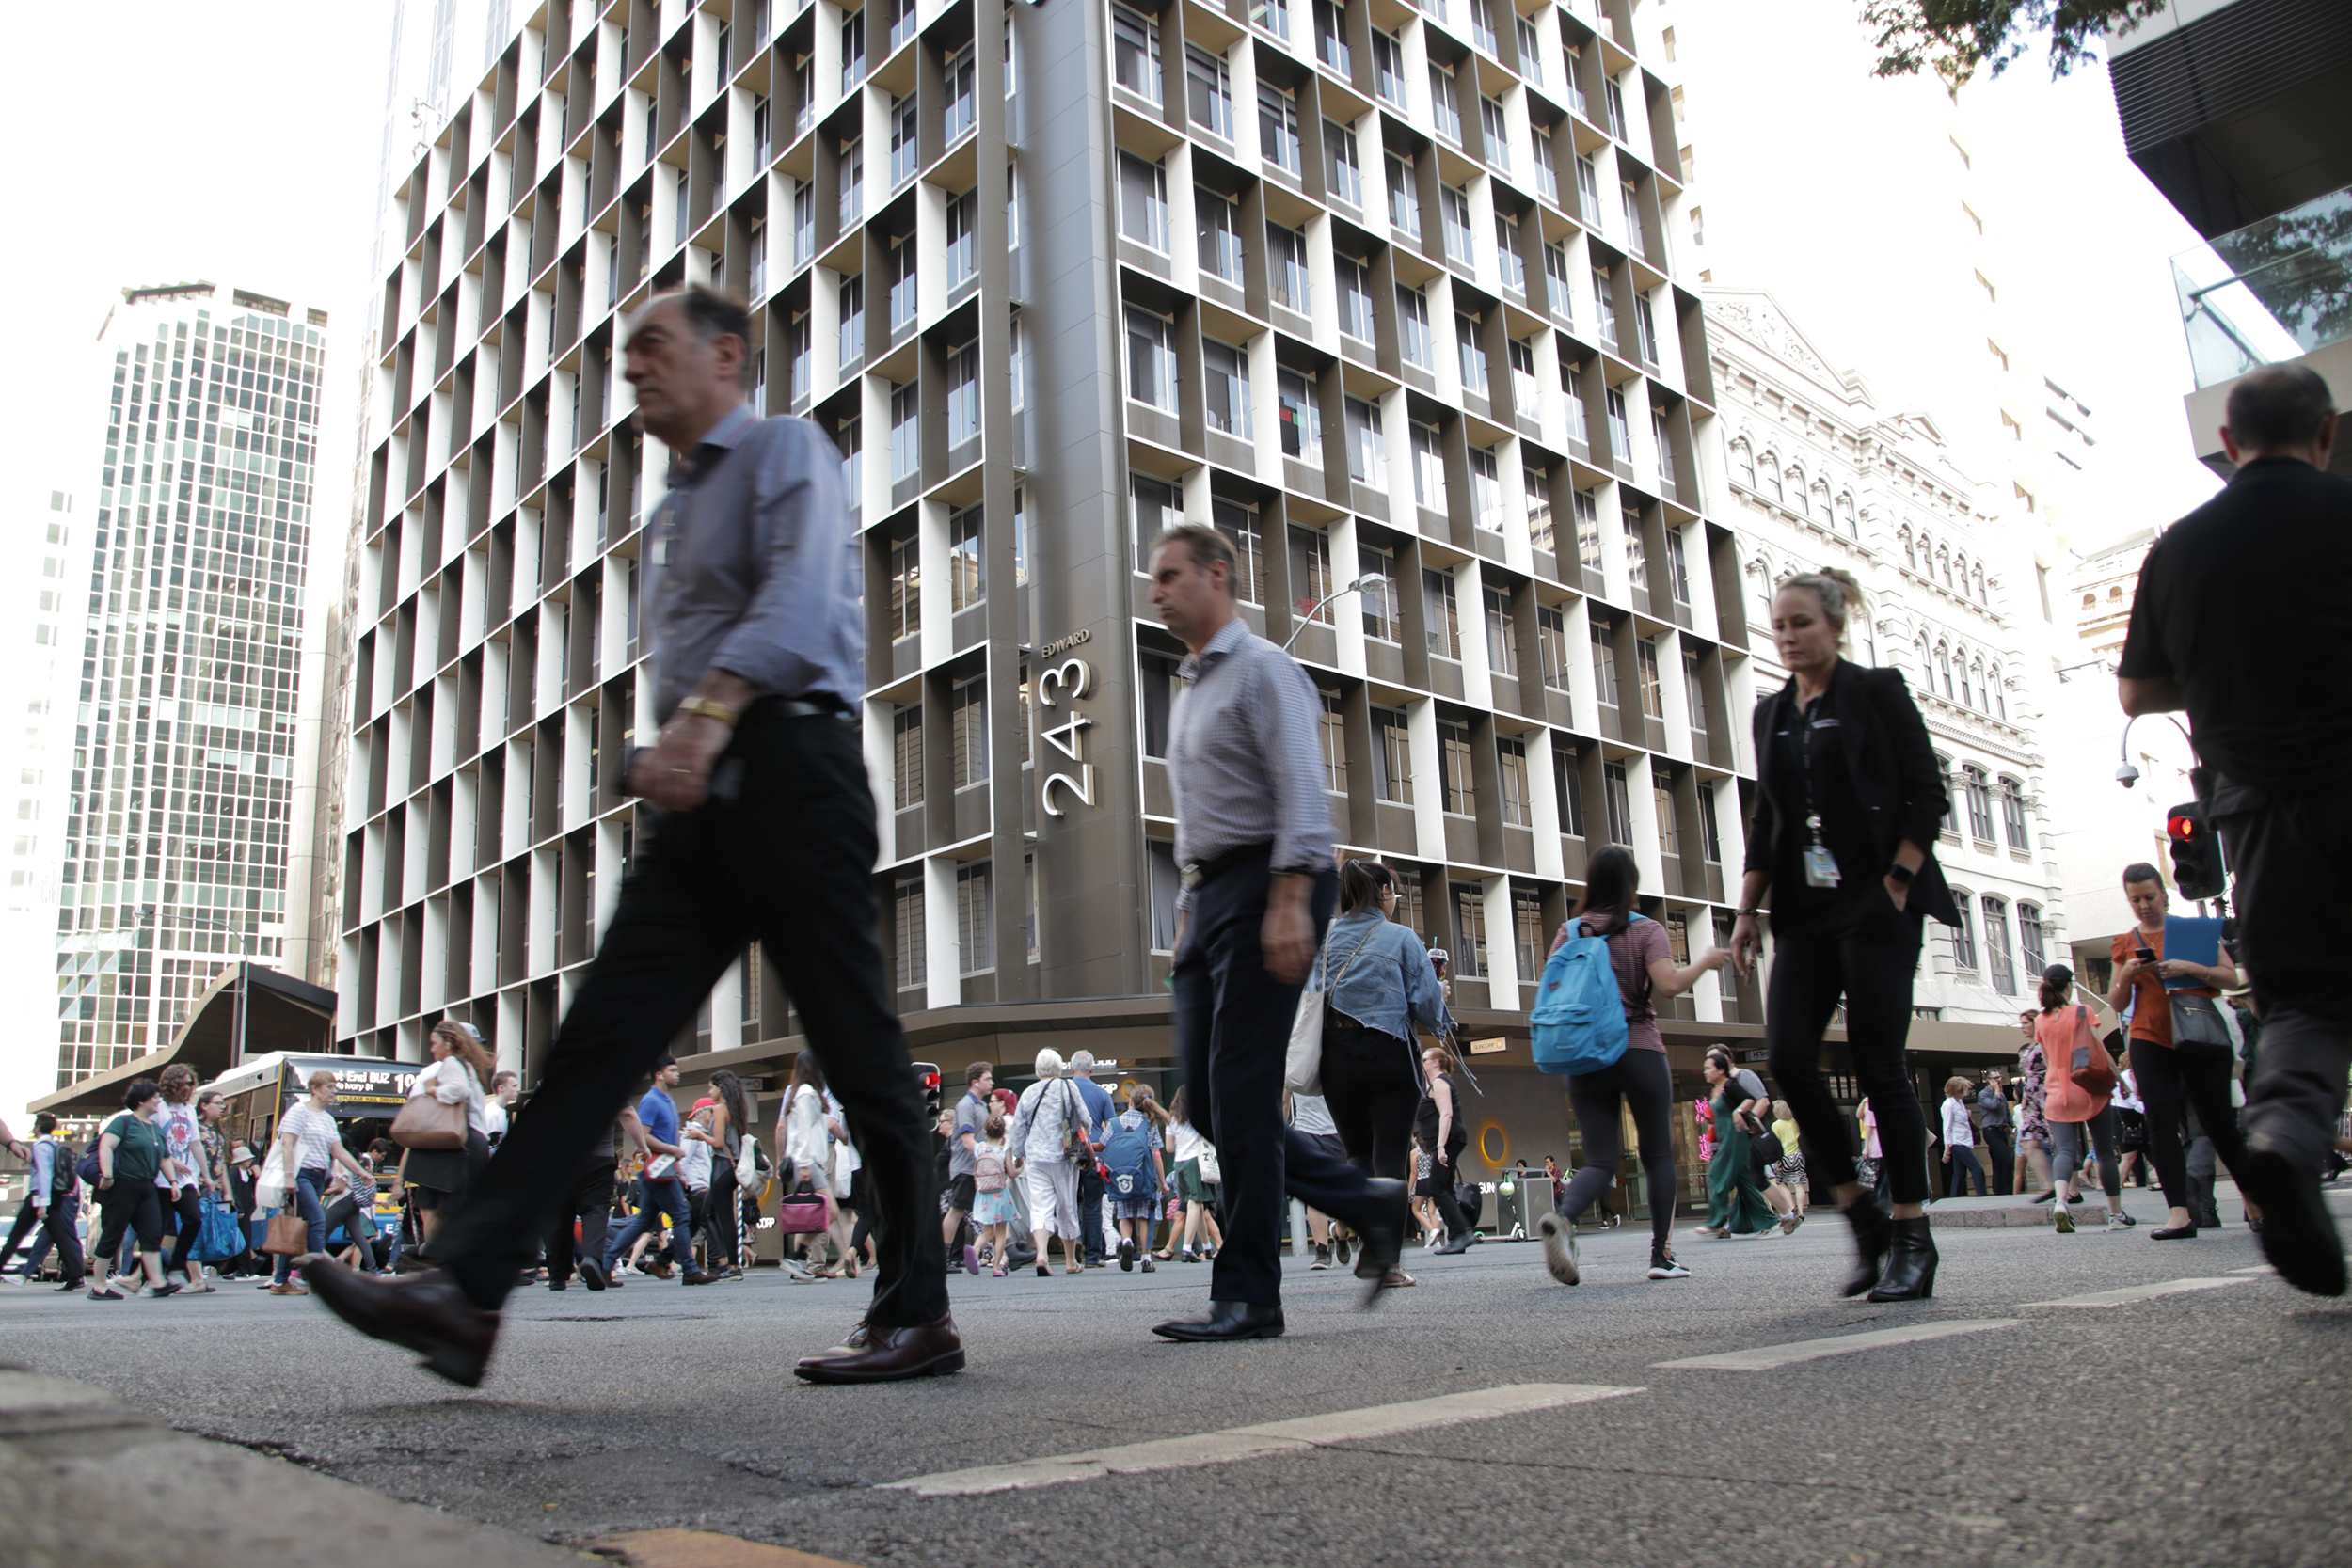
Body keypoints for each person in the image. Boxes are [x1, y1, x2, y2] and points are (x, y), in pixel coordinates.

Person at [302, 285, 954, 1383]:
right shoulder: (669, 512)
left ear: (727, 357)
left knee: (859, 1052)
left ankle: (917, 1310)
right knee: (597, 1042)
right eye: (626, 355)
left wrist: (700, 723)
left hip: (794, 768)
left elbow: (796, 600)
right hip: (699, 801)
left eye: (655, 347)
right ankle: (463, 1294)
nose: (635, 369)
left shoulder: (787, 450)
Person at [2116, 360, 2352, 1296]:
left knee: (2298, 1003)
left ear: (2227, 444)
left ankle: (2284, 1136)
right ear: (2325, 435)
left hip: (2256, 806)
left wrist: (2214, 680)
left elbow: (2137, 688)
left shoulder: (2181, 549)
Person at [1149, 522, 1409, 1341]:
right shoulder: (1189, 684)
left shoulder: (1264, 670)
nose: (1156, 590)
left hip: (1270, 879)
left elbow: (1301, 786)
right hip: (1211, 894)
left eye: (1169, 574)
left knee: (1244, 1089)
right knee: (1208, 1095)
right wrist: (1191, 904)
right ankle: (1364, 1197)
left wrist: (1293, 896)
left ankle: (1251, 1293)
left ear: (1217, 574)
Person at [1728, 568, 1960, 1303]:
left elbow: (1928, 791)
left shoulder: (1876, 691)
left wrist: (1898, 879)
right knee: (1791, 1058)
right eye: (1780, 626)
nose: (1790, 637)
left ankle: (1913, 1233)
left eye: (1802, 623)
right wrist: (1745, 910)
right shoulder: (1771, 714)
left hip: (1876, 902)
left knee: (1878, 1060)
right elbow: (1767, 818)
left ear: (1834, 625)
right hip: (1805, 908)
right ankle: (1863, 1221)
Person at [1536, 847, 1724, 1286]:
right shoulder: (1647, 931)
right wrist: (1704, 961)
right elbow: (1669, 985)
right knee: (1658, 1155)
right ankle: (1661, 1254)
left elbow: (1555, 989)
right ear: (1630, 887)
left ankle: (1563, 1218)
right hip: (1638, 1048)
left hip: (1585, 1053)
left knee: (1599, 1161)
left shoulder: (1570, 931)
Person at [1305, 858, 1453, 1286]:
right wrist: (1439, 993)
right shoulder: (1402, 938)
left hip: (1335, 1057)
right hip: (1387, 1053)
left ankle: (1351, 1226)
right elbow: (1427, 1007)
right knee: (1388, 1157)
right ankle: (1382, 1260)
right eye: (1394, 894)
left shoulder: (1325, 939)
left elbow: (1309, 994)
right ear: (1383, 894)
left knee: (1355, 1155)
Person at [2105, 863, 2254, 1242]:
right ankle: (2178, 1213)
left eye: (2149, 897)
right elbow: (2116, 999)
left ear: (2163, 894)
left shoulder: (2191, 930)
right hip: (2148, 1036)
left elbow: (2230, 977)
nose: (2143, 905)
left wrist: (2190, 968)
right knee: (2160, 1121)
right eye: (2135, 899)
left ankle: (2255, 1202)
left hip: (2199, 1033)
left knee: (2219, 1123)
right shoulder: (2126, 941)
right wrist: (2128, 975)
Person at [2034, 964, 2133, 1234]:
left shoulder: (2040, 1021)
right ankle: (2115, 1214)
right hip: (2088, 1087)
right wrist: (2121, 1081)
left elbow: (2046, 1059)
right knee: (2104, 1151)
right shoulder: (2082, 1012)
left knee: (2064, 1151)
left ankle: (2062, 1203)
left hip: (2056, 1091)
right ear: (2069, 985)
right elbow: (2098, 1050)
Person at [603, 1057, 716, 1286]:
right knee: (682, 1215)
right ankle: (690, 1270)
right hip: (658, 1171)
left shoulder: (668, 1100)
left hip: (664, 1170)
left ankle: (605, 1264)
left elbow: (665, 1136)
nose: (678, 1074)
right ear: (659, 1074)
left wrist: (679, 1169)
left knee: (643, 1221)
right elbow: (644, 1135)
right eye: (672, 1070)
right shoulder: (652, 1101)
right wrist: (672, 1150)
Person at [270, 1069, 376, 1297]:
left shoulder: (328, 1120)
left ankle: (280, 1281)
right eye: (329, 1087)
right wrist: (289, 1176)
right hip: (301, 1174)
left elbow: (338, 1151)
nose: (334, 1092)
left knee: (301, 1227)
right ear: (315, 1089)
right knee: (318, 1220)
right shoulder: (299, 1112)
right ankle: (320, 1277)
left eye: (334, 1088)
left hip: (319, 1175)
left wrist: (361, 1172)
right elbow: (287, 1143)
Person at [397, 1021, 496, 1259]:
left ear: (449, 1043)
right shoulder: (468, 1067)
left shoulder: (449, 1064)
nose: (431, 1049)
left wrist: (433, 1091)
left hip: (451, 1143)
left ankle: (440, 1258)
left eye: (434, 1043)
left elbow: (457, 1092)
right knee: (451, 1206)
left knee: (433, 1206)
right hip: (468, 1142)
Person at [87, 1080, 175, 1301]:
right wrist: (107, 1174)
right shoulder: (124, 1123)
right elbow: (105, 1145)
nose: (159, 1100)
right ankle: (98, 1286)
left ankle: (156, 1283)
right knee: (112, 1234)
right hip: (123, 1186)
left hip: (147, 1186)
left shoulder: (155, 1128)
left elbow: (164, 1157)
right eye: (155, 1096)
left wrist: (174, 1182)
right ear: (141, 1100)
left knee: (152, 1234)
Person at [1009, 1049, 1089, 1277]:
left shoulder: (1028, 1092)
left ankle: (1042, 1254)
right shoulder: (1067, 1087)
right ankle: (1070, 1261)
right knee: (1066, 1206)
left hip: (1035, 1157)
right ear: (1058, 1067)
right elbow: (1085, 1118)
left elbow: (1018, 1127)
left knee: (1040, 1206)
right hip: (1064, 1156)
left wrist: (1018, 1153)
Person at [1692, 1050, 1777, 1240]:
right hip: (1724, 1138)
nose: (1705, 1072)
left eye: (1708, 1068)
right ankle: (1768, 1220)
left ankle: (1716, 1222)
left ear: (1720, 1070)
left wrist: (1738, 1111)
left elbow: (1751, 1099)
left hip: (1735, 1138)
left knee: (1717, 1175)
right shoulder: (1714, 1090)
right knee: (1745, 1181)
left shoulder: (1730, 1086)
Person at [150, 1063, 216, 1291]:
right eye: (185, 1083)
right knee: (161, 1229)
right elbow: (154, 1140)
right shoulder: (159, 1108)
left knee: (193, 1219)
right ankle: (151, 1278)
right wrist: (171, 1161)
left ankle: (176, 1267)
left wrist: (206, 1175)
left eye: (191, 1083)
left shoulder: (188, 1110)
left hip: (186, 1176)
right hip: (161, 1176)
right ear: (173, 1083)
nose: (189, 1088)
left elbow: (195, 1143)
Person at [0, 1115, 84, 1291]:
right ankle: (76, 1275)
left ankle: (9, 1268)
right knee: (61, 1236)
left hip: (39, 1196)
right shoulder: (55, 1146)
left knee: (16, 1235)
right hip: (55, 1197)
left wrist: (42, 1203)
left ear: (38, 1127)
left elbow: (45, 1175)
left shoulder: (40, 1146)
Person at [1103, 1087, 1169, 1273]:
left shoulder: (1114, 1123)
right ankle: (1146, 1258)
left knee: (1124, 1215)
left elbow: (1103, 1145)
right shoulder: (1149, 1124)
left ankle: (1126, 1241)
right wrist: (1162, 1182)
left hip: (1120, 1178)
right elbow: (1156, 1154)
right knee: (1143, 1217)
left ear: (1130, 1101)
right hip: (1144, 1178)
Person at [1162, 1086, 1225, 1265]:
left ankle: (1206, 1247)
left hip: (1178, 1164)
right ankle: (1187, 1248)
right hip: (1195, 1162)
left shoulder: (1172, 1119)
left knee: (1197, 1206)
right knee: (1196, 1204)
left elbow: (1169, 1148)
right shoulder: (1199, 1116)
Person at [704, 1069, 755, 1279]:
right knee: (716, 1214)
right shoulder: (735, 1108)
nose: (709, 1091)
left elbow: (717, 1142)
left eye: (711, 1087)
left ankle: (731, 1264)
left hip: (722, 1166)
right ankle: (728, 1262)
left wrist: (699, 1134)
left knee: (713, 1215)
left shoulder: (719, 1109)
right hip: (733, 1167)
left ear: (720, 1088)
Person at [943, 1062, 992, 1278]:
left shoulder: (981, 1105)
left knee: (986, 1210)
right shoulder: (965, 1106)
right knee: (956, 1210)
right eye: (987, 1079)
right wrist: (989, 1156)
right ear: (975, 1082)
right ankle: (943, 1257)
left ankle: (1005, 1251)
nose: (991, 1082)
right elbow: (967, 1140)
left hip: (976, 1168)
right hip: (965, 1169)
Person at [1067, 1052, 1116, 1267]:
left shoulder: (1065, 1091)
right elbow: (1113, 1126)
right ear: (1092, 1070)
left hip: (1070, 1151)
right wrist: (1101, 1146)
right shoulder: (1102, 1094)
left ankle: (1073, 1245)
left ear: (1071, 1068)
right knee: (1093, 1205)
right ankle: (1093, 1255)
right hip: (1095, 1152)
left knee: (1070, 1202)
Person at [1938, 1079, 1986, 1197]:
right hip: (1957, 1142)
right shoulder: (1948, 1104)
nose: (1967, 1091)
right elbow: (1947, 1127)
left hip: (1963, 1141)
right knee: (1977, 1169)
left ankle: (1954, 1198)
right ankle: (1982, 1195)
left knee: (1959, 1174)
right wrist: (1947, 1147)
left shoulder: (1959, 1102)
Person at [1975, 1069, 2016, 1196]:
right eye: (1995, 1078)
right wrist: (1997, 1091)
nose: (1999, 1080)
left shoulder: (2002, 1095)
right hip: (1991, 1131)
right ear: (1988, 1081)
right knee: (2006, 1158)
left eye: (2000, 1077)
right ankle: (2004, 1189)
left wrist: (2012, 1127)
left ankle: (2000, 1189)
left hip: (2002, 1130)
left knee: (1999, 1160)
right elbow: (1993, 1106)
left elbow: (2006, 1113)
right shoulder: (1983, 1094)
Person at [1768, 1101, 1808, 1220]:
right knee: (1799, 1185)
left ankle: (1792, 1207)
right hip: (1797, 1156)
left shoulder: (1776, 1125)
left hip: (1783, 1156)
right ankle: (1801, 1211)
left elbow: (1775, 1143)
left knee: (1780, 1183)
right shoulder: (1794, 1122)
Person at [484, 1070, 521, 1149]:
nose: (518, 1089)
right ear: (501, 1088)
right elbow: (491, 1147)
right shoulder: (492, 1112)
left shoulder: (502, 1111)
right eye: (514, 1086)